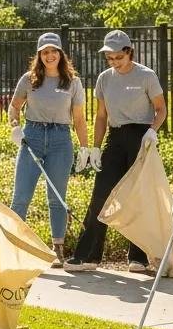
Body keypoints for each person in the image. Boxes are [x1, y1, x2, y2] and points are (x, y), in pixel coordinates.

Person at [65, 29, 166, 273]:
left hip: (141, 136)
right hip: (115, 136)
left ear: (129, 52)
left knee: (137, 195)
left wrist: (152, 131)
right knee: (101, 193)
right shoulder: (105, 79)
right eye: (109, 58)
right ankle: (89, 256)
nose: (114, 63)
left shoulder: (146, 75)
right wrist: (96, 148)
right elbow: (101, 116)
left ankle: (138, 257)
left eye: (118, 58)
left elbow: (161, 109)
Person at [8, 32, 90, 268]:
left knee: (57, 198)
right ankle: (14, 246)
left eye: (53, 51)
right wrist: (15, 126)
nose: (49, 55)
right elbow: (14, 108)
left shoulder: (73, 82)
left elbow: (79, 119)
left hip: (60, 140)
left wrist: (84, 148)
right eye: (45, 52)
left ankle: (57, 249)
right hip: (31, 137)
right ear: (39, 55)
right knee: (21, 197)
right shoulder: (29, 79)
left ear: (60, 54)